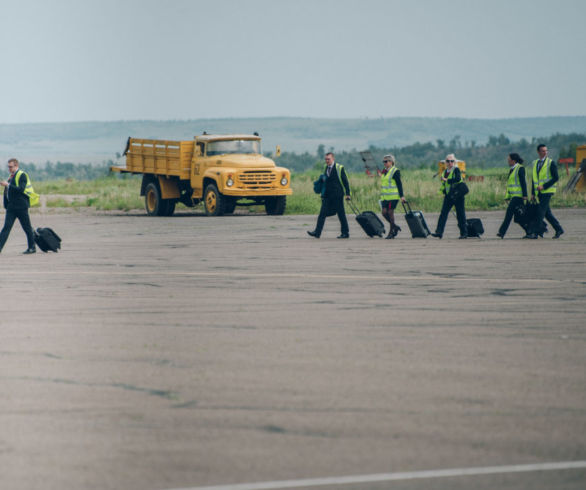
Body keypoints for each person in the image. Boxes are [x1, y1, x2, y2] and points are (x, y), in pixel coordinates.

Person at [524, 144, 564, 239]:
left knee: (540, 212)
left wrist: (544, 186)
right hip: (539, 192)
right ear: (538, 152)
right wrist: (533, 193)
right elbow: (534, 179)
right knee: (546, 213)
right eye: (543, 151)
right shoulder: (535, 163)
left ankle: (535, 233)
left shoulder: (551, 163)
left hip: (548, 191)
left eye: (546, 150)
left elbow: (556, 178)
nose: (545, 152)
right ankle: (559, 229)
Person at [307, 152, 351, 238]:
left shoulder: (339, 168)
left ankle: (345, 233)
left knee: (341, 214)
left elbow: (345, 182)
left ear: (333, 159)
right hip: (327, 195)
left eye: (328, 159)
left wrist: (348, 194)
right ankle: (317, 232)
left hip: (337, 195)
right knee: (322, 214)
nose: (327, 161)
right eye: (326, 159)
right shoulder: (325, 167)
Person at [0, 158, 37, 254]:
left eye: (11, 167)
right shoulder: (11, 176)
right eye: (8, 167)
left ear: (16, 166)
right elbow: (8, 192)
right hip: (11, 207)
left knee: (27, 228)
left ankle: (32, 248)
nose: (9, 168)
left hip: (21, 207)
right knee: (6, 228)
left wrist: (7, 185)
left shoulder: (22, 175)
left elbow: (20, 189)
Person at [431, 154, 467, 239]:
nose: (449, 163)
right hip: (449, 196)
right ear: (445, 162)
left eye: (451, 161)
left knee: (460, 214)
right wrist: (443, 190)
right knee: (443, 214)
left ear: (454, 162)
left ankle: (464, 233)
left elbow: (458, 179)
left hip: (458, 195)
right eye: (447, 161)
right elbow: (445, 185)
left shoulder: (456, 169)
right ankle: (439, 232)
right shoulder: (444, 172)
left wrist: (446, 180)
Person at [496, 153, 528, 238]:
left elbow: (523, 183)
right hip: (514, 196)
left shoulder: (520, 169)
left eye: (509, 160)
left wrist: (525, 195)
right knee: (518, 217)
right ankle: (530, 230)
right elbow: (510, 185)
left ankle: (502, 232)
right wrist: (507, 197)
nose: (508, 162)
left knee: (509, 214)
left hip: (518, 196)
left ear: (513, 161)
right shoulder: (512, 169)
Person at [379, 154, 406, 239]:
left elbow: (399, 184)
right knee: (384, 213)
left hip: (393, 196)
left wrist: (402, 196)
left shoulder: (395, 171)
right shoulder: (384, 171)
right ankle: (395, 226)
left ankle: (391, 232)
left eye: (386, 161)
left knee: (390, 213)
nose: (385, 163)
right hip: (385, 197)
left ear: (391, 162)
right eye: (384, 162)